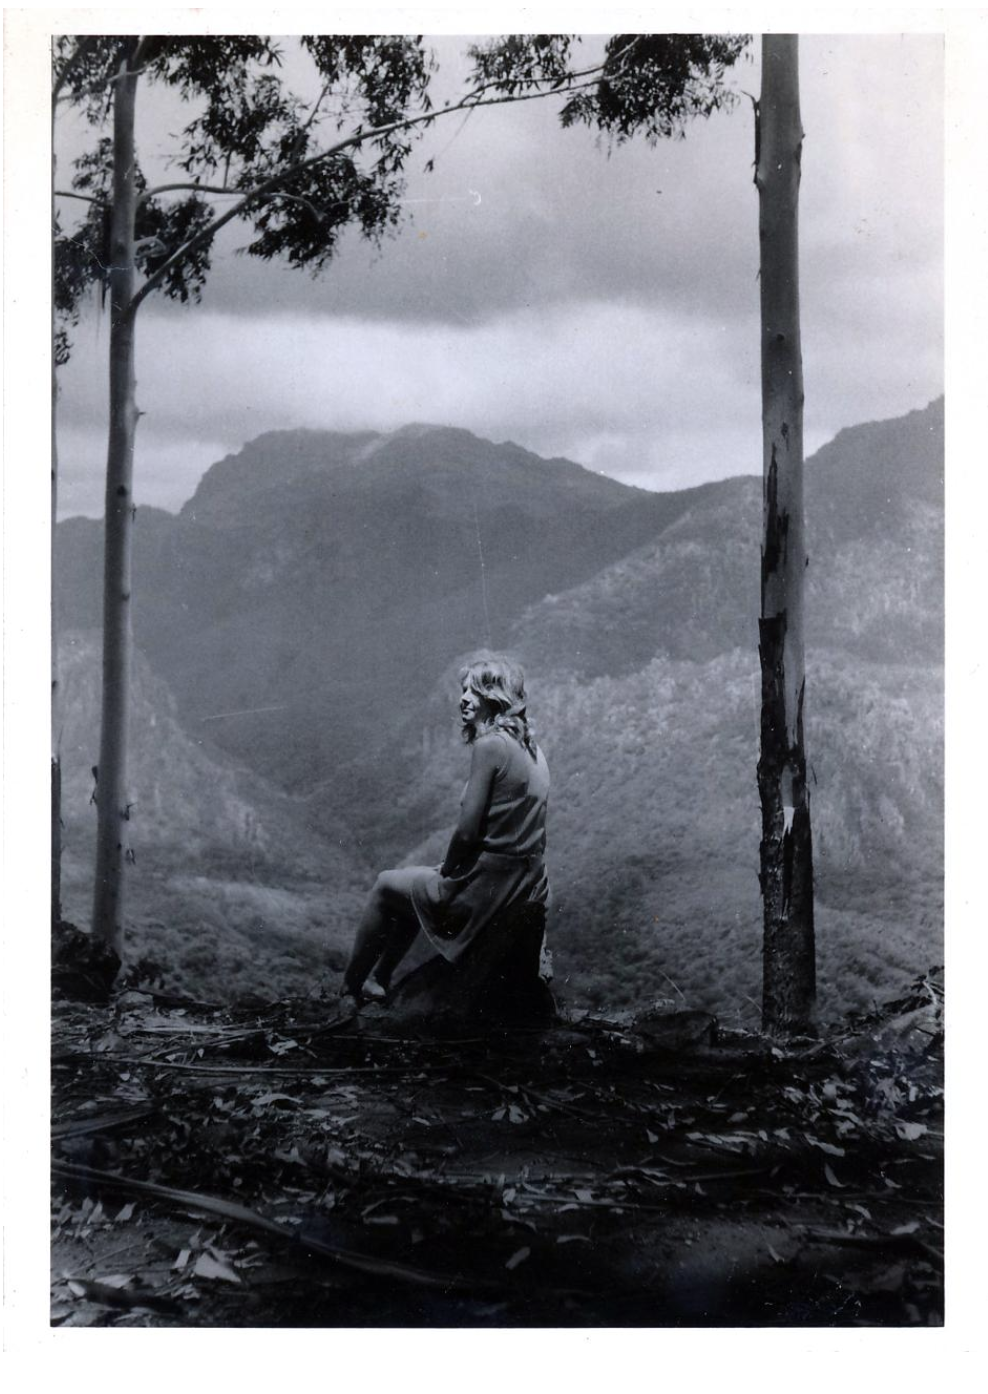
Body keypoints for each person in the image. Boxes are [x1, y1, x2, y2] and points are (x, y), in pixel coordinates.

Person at [341, 655, 550, 1003]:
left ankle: (350, 989)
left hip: (485, 889)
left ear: (496, 698)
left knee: (385, 885)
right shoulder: (533, 750)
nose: (464, 699)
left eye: (475, 691)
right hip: (523, 886)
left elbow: (467, 834)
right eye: (463, 690)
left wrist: (449, 872)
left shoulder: (490, 746)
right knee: (413, 887)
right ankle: (378, 979)